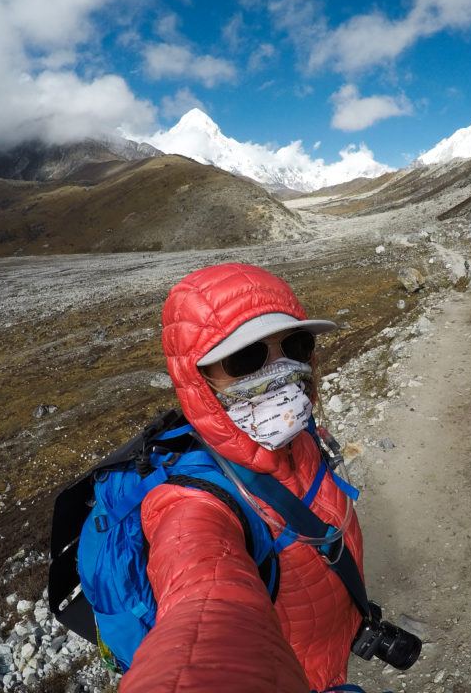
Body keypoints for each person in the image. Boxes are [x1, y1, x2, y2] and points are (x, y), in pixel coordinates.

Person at [120, 262, 366, 692]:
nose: (282, 370)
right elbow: (205, 606)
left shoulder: (301, 439)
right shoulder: (192, 504)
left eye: (296, 344)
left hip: (334, 649)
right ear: (199, 381)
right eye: (246, 358)